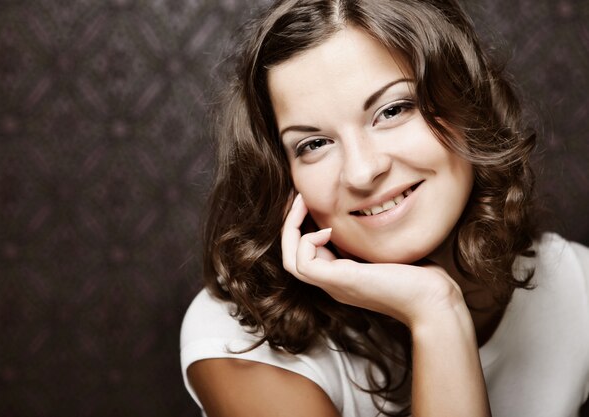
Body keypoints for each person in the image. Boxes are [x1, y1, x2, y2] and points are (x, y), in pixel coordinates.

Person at [180, 0, 589, 415]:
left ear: (469, 106)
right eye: (314, 144)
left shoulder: (578, 289)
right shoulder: (235, 338)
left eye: (392, 111)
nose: (361, 172)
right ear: (283, 177)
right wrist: (436, 311)